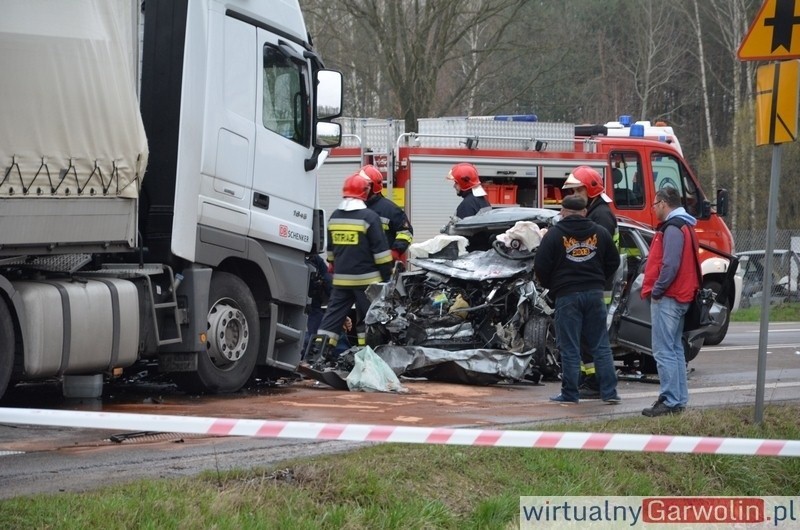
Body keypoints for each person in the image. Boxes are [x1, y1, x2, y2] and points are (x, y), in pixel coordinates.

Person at [534, 194, 621, 404]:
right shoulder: (600, 233)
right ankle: (609, 393)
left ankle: (570, 394)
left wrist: (553, 285)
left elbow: (541, 267)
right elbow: (614, 261)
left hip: (567, 296)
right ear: (584, 211)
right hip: (594, 294)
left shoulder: (554, 235)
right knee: (601, 345)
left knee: (570, 347)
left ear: (563, 212)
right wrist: (598, 278)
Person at [304, 172, 393, 362]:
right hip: (368, 283)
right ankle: (375, 359)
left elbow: (330, 254)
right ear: (365, 192)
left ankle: (316, 357)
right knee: (373, 321)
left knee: (331, 320)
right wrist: (388, 279)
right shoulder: (369, 217)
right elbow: (381, 255)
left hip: (341, 281)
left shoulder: (335, 217)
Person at [641, 187, 700, 417]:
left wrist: (657, 290)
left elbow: (670, 264)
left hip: (670, 297)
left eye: (655, 204)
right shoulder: (685, 225)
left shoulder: (673, 228)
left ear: (664, 203)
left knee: (664, 350)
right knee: (675, 350)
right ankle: (678, 400)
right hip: (681, 295)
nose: (654, 209)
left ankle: (669, 400)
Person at [562, 165, 619, 399]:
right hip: (596, 284)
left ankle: (596, 383)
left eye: (577, 191)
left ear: (589, 190)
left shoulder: (601, 216)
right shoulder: (596, 211)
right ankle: (591, 378)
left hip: (597, 286)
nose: (574, 196)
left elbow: (598, 253)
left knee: (593, 338)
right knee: (587, 337)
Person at [359, 164, 414, 262]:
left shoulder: (390, 209)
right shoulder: (354, 207)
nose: (361, 188)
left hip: (382, 265)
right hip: (358, 264)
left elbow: (406, 232)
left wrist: (395, 251)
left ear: (373, 186)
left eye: (365, 185)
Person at [303, 252, 332, 354]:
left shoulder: (315, 259)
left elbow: (328, 280)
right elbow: (328, 280)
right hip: (312, 307)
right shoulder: (315, 259)